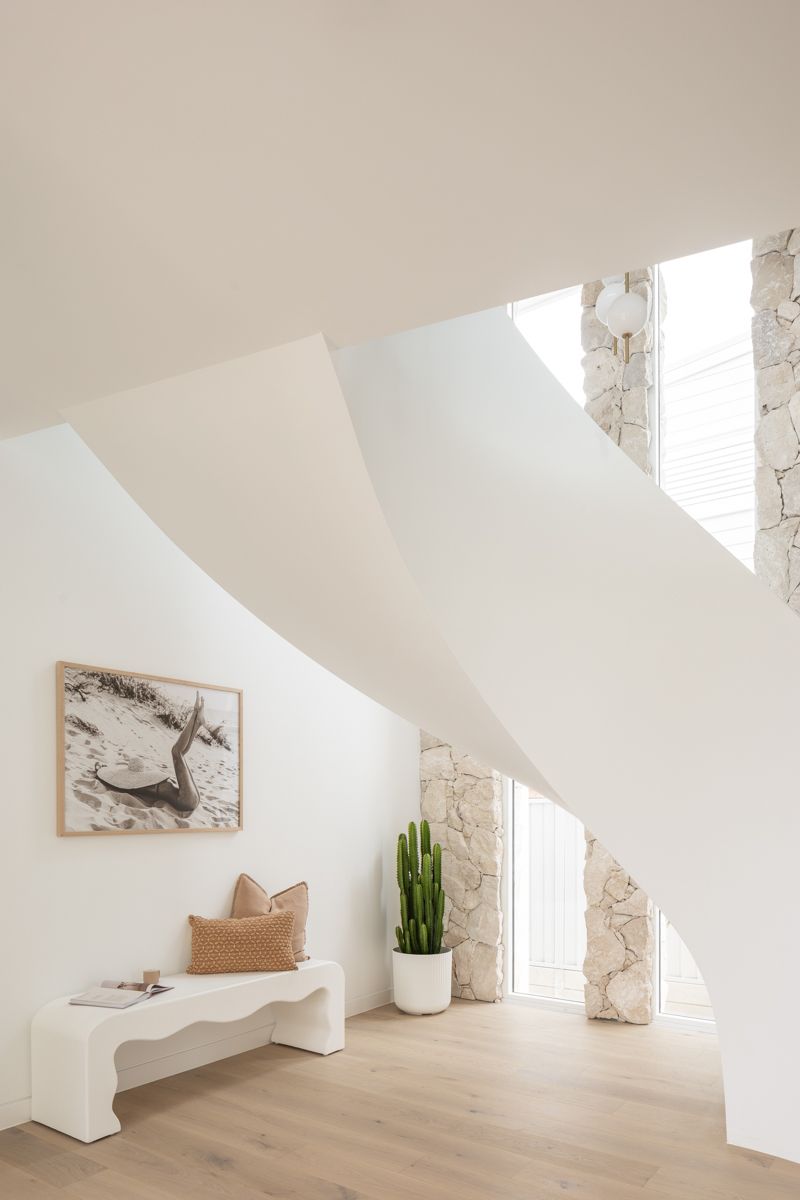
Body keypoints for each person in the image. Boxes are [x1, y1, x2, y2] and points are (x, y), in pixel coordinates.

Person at [95, 692, 205, 814]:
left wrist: (102, 770)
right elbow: (114, 781)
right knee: (176, 752)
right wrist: (103, 771)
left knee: (181, 754)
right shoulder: (139, 784)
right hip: (185, 800)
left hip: (189, 798)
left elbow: (114, 780)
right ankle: (195, 715)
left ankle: (197, 722)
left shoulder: (137, 785)